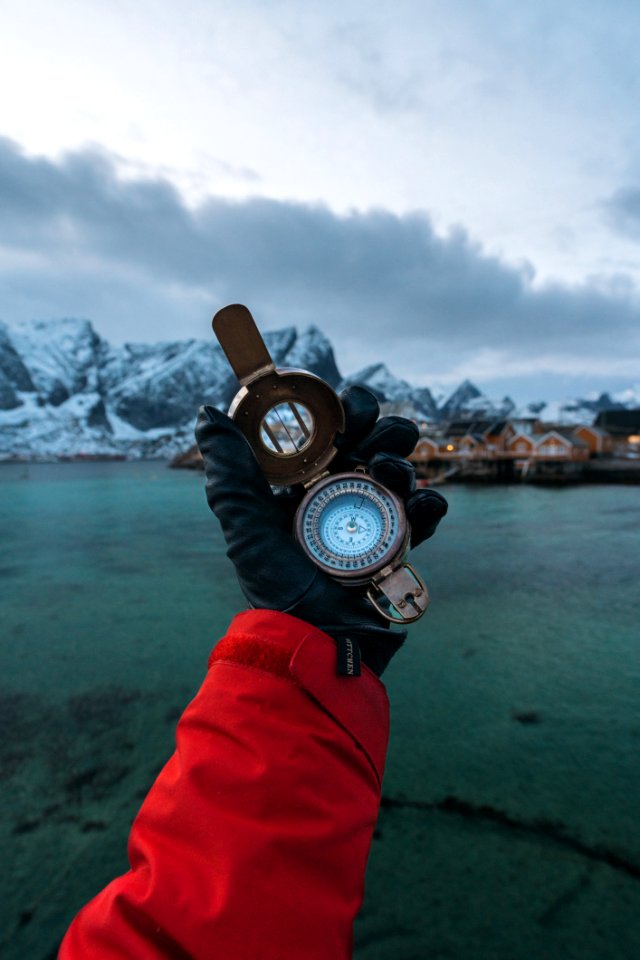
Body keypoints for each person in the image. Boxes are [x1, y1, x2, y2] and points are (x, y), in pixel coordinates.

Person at [59, 386, 447, 959]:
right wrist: (329, 651)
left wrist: (319, 647)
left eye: (359, 525)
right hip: (330, 615)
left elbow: (218, 917)